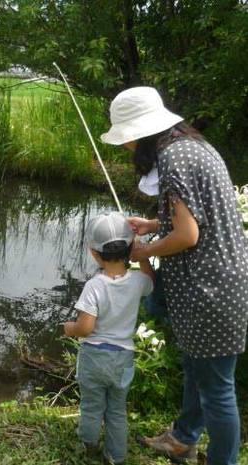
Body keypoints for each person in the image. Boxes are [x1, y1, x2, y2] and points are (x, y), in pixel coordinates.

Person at [100, 86, 248, 465]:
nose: (126, 148)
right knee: (198, 370)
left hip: (210, 289)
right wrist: (154, 223)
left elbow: (187, 235)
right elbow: (205, 214)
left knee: (217, 388)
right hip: (222, 281)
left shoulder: (173, 159)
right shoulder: (193, 145)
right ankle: (183, 438)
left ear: (140, 133)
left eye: (127, 140)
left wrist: (143, 250)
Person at [63, 212, 154, 465]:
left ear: (94, 252)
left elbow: (86, 328)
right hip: (122, 358)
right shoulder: (138, 281)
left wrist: (69, 328)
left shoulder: (95, 285)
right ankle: (116, 456)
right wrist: (142, 255)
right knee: (116, 410)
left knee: (92, 406)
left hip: (94, 357)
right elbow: (151, 282)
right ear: (129, 248)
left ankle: (88, 446)